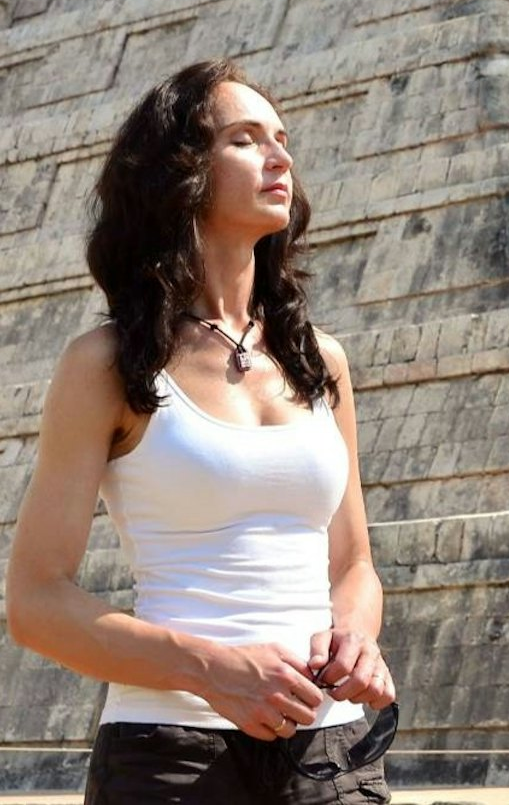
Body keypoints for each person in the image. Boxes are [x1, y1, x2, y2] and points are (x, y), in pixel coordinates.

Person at [5, 59, 397, 803]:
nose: (280, 156)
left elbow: (352, 564)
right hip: (170, 752)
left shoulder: (322, 361)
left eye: (282, 139)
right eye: (246, 140)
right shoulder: (107, 364)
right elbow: (36, 602)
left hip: (334, 749)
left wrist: (355, 636)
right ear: (179, 173)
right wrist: (212, 668)